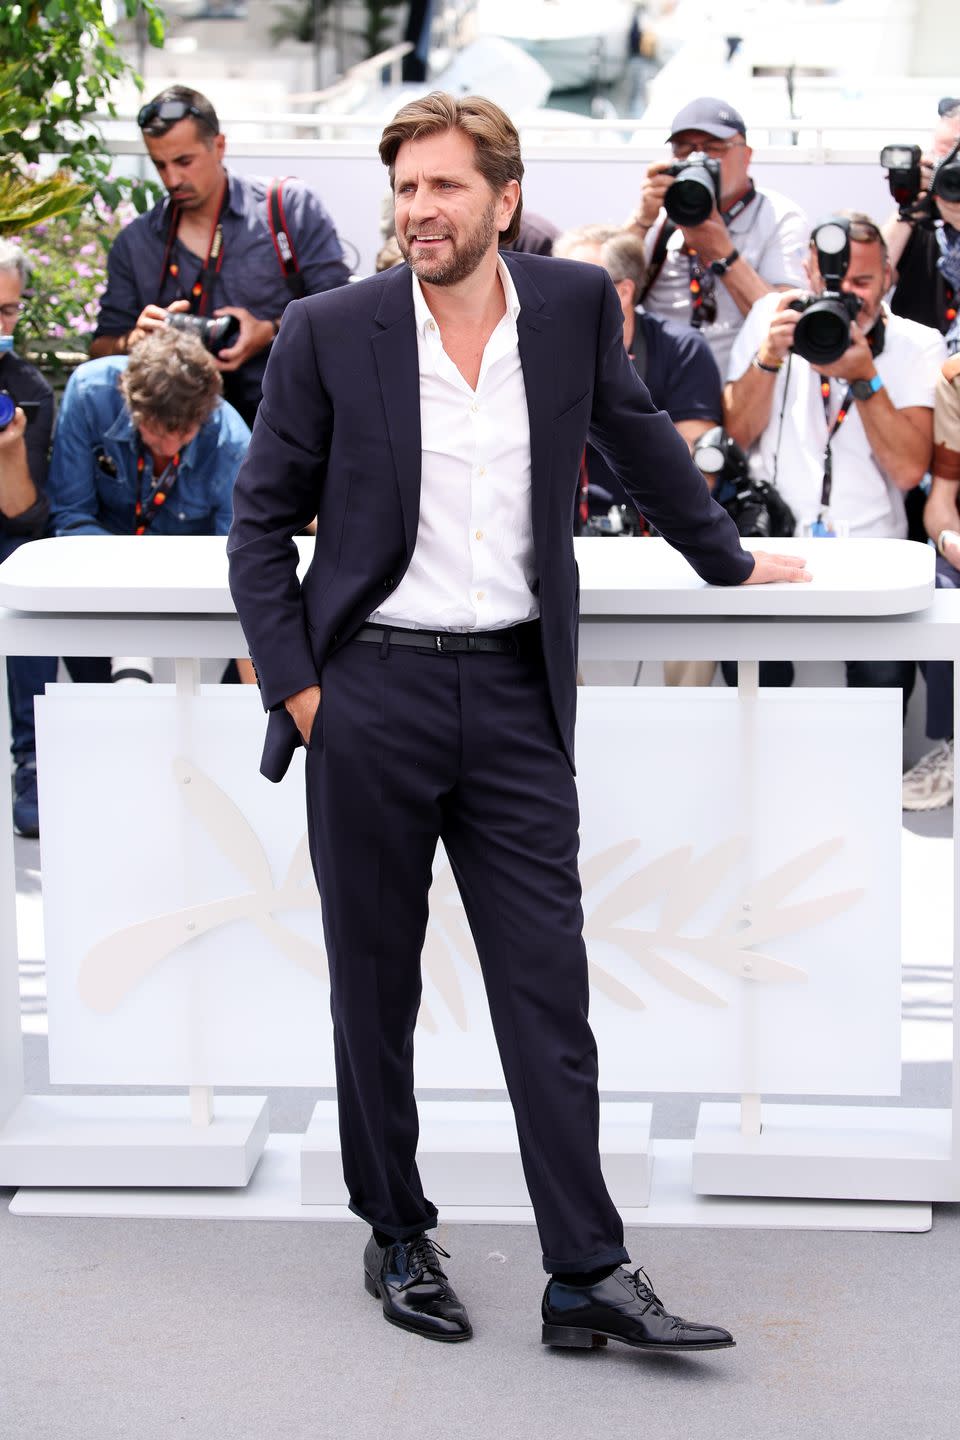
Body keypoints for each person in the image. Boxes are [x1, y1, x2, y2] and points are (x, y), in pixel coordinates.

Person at [227, 90, 807, 1355]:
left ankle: (584, 1270)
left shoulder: (566, 309)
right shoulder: (333, 329)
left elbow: (640, 435)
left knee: (548, 989)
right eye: (407, 188)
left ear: (502, 196)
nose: (420, 210)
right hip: (368, 693)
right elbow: (258, 525)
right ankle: (395, 1232)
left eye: (444, 187)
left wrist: (726, 559)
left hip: (513, 698)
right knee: (371, 992)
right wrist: (306, 694)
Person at [722, 211, 946, 700]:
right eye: (833, 278)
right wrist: (769, 358)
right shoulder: (770, 317)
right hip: (773, 544)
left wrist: (866, 377)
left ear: (890, 278)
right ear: (808, 273)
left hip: (873, 553)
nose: (847, 293)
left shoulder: (915, 343)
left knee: (879, 696)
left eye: (862, 280)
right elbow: (736, 434)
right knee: (756, 690)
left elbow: (910, 471)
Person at [89, 86, 351, 427]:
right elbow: (98, 350)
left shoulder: (288, 207)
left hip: (284, 420)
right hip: (176, 430)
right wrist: (135, 340)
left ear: (219, 146)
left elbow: (342, 315)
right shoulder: (135, 242)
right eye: (159, 165)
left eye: (184, 161)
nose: (172, 179)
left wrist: (268, 332)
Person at [625, 96, 808, 374]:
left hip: (742, 383)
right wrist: (641, 221)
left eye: (713, 149)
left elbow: (787, 323)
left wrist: (723, 254)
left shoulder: (779, 217)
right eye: (684, 149)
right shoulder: (660, 211)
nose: (698, 160)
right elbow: (604, 293)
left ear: (746, 156)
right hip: (659, 387)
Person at [0, 240, 55, 838]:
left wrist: (10, 448)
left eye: (9, 311)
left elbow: (25, 515)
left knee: (23, 572)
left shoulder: (25, 387)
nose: (1, 325)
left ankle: (32, 760)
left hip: (4, 535)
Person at [902, 353, 960, 809]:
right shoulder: (955, 381)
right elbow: (941, 501)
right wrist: (949, 540)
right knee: (938, 586)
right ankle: (954, 747)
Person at [883, 99, 960, 355]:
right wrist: (909, 205)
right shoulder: (917, 217)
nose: (952, 168)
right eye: (943, 155)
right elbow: (872, 279)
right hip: (918, 369)